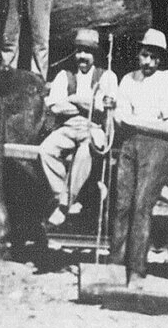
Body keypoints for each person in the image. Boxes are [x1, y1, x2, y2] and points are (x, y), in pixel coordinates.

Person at [109, 29, 168, 289]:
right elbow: (120, 117)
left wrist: (134, 120)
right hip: (130, 144)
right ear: (139, 54)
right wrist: (133, 119)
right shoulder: (128, 80)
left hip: (158, 147)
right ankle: (115, 265)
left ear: (161, 59)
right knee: (120, 204)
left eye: (154, 57)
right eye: (144, 55)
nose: (148, 62)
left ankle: (136, 270)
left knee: (142, 206)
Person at [39, 28, 118, 227]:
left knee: (85, 151)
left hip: (94, 128)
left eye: (88, 52)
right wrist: (86, 104)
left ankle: (64, 205)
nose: (82, 56)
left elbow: (102, 107)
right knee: (45, 150)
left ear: (95, 54)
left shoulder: (107, 76)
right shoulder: (64, 76)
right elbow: (56, 106)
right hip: (69, 127)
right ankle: (64, 198)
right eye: (79, 51)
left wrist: (72, 99)